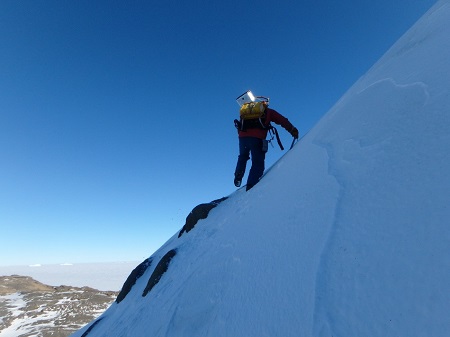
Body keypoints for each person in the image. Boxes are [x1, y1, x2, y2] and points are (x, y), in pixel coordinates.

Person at [234, 93, 298, 191]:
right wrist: (292, 129)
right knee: (257, 162)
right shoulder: (268, 112)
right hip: (257, 139)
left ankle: (238, 175)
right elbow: (282, 120)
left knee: (243, 156)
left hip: (243, 139)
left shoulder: (245, 113)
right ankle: (251, 186)